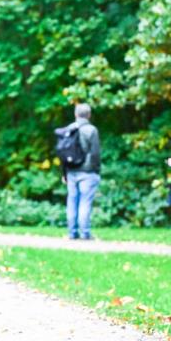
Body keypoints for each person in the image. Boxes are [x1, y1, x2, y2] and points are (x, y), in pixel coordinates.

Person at [60, 103, 101, 240]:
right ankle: (85, 233)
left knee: (72, 201)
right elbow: (95, 153)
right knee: (85, 201)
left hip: (71, 172)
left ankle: (72, 233)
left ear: (75, 114)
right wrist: (96, 170)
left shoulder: (68, 129)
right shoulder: (91, 130)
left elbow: (63, 153)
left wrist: (64, 173)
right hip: (88, 172)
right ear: (89, 115)